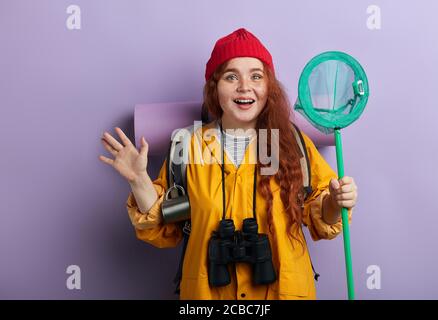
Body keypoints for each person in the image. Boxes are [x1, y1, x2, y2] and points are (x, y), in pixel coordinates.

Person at [99, 28, 358, 300]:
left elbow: (322, 218)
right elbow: (166, 228)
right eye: (231, 76)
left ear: (268, 87)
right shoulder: (186, 145)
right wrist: (138, 179)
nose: (244, 86)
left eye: (256, 76)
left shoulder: (292, 143)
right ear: (214, 86)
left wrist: (336, 202)